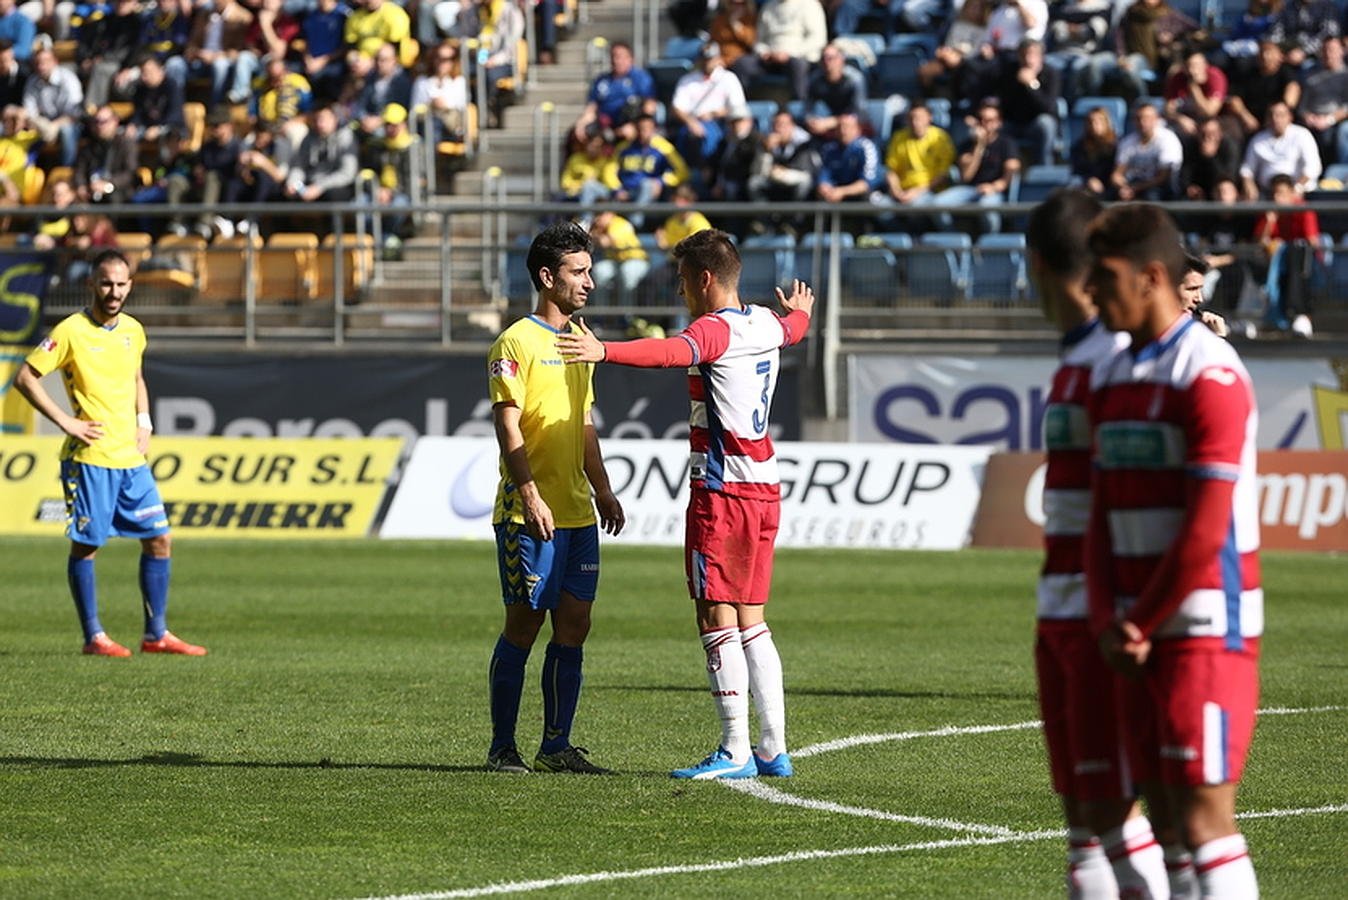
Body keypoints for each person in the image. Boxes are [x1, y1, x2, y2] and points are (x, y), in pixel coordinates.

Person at [557, 229, 814, 780]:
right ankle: (773, 748)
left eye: (680, 281)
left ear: (703, 280)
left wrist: (605, 350)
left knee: (713, 613)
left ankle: (734, 749)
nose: (679, 293)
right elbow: (795, 328)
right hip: (766, 488)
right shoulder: (768, 322)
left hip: (722, 493)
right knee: (752, 619)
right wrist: (801, 313)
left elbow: (673, 352)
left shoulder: (714, 330)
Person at [1084, 202, 1263, 900]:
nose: (1092, 293)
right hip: (1135, 628)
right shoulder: (1116, 371)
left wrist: (1140, 619)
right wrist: (1107, 613)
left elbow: (1206, 525)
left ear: (1150, 276)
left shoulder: (1210, 374)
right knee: (1160, 818)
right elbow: (1099, 514)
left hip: (1200, 629)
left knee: (1205, 819)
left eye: (1105, 277)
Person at [1026, 188, 1175, 900]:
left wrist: (1132, 611)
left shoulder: (1119, 359)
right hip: (1065, 606)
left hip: (1103, 613)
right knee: (1088, 820)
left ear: (1032, 266)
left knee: (1131, 814)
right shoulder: (1085, 356)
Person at [13, 249, 207, 659]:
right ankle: (93, 636)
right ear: (92, 284)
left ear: (130, 285)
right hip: (90, 458)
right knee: (87, 545)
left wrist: (145, 422)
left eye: (120, 284)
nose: (114, 291)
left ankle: (156, 634)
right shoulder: (70, 331)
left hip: (130, 458)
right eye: (106, 283)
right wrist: (66, 422)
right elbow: (25, 378)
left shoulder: (133, 330)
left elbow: (137, 377)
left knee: (160, 539)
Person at [484, 221, 625, 775]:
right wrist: (530, 494)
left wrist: (604, 489)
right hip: (529, 515)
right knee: (523, 626)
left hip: (577, 513)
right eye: (578, 271)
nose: (589, 281)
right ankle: (502, 748)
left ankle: (556, 746)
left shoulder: (579, 341)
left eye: (590, 270)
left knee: (575, 627)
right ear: (548, 277)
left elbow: (583, 424)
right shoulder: (515, 341)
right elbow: (509, 427)